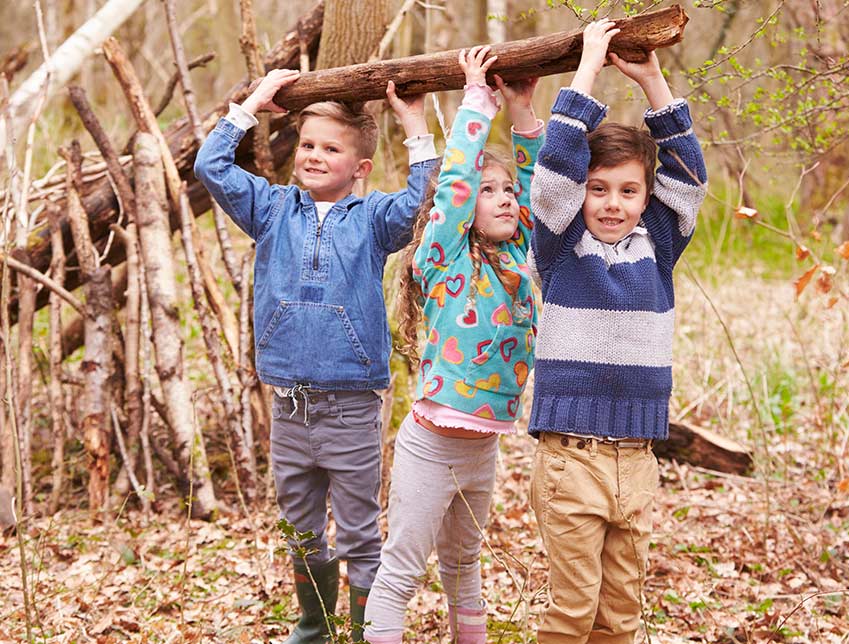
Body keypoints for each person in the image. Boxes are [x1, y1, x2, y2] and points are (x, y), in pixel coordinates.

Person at [193, 68, 437, 644]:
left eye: (330, 148)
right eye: (306, 145)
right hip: (289, 408)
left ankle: (362, 632)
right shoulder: (271, 208)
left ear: (360, 170)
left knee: (357, 533)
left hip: (351, 405)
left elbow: (425, 199)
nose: (313, 156)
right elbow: (211, 167)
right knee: (301, 527)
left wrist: (412, 123)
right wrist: (251, 104)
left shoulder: (374, 220)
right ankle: (313, 627)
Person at [527, 19, 708, 644]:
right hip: (571, 458)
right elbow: (553, 171)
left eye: (629, 191)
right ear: (580, 196)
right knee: (573, 612)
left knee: (618, 617)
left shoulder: (657, 246)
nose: (611, 203)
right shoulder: (559, 245)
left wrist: (653, 79)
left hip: (638, 457)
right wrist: (588, 67)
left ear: (644, 197)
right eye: (598, 189)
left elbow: (688, 179)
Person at [362, 46, 544, 644]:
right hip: (431, 445)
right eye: (490, 191)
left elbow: (544, 197)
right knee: (402, 572)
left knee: (465, 572)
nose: (504, 198)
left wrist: (523, 112)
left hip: (482, 448)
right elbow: (453, 186)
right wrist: (475, 102)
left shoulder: (519, 261)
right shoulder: (446, 260)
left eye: (508, 191)